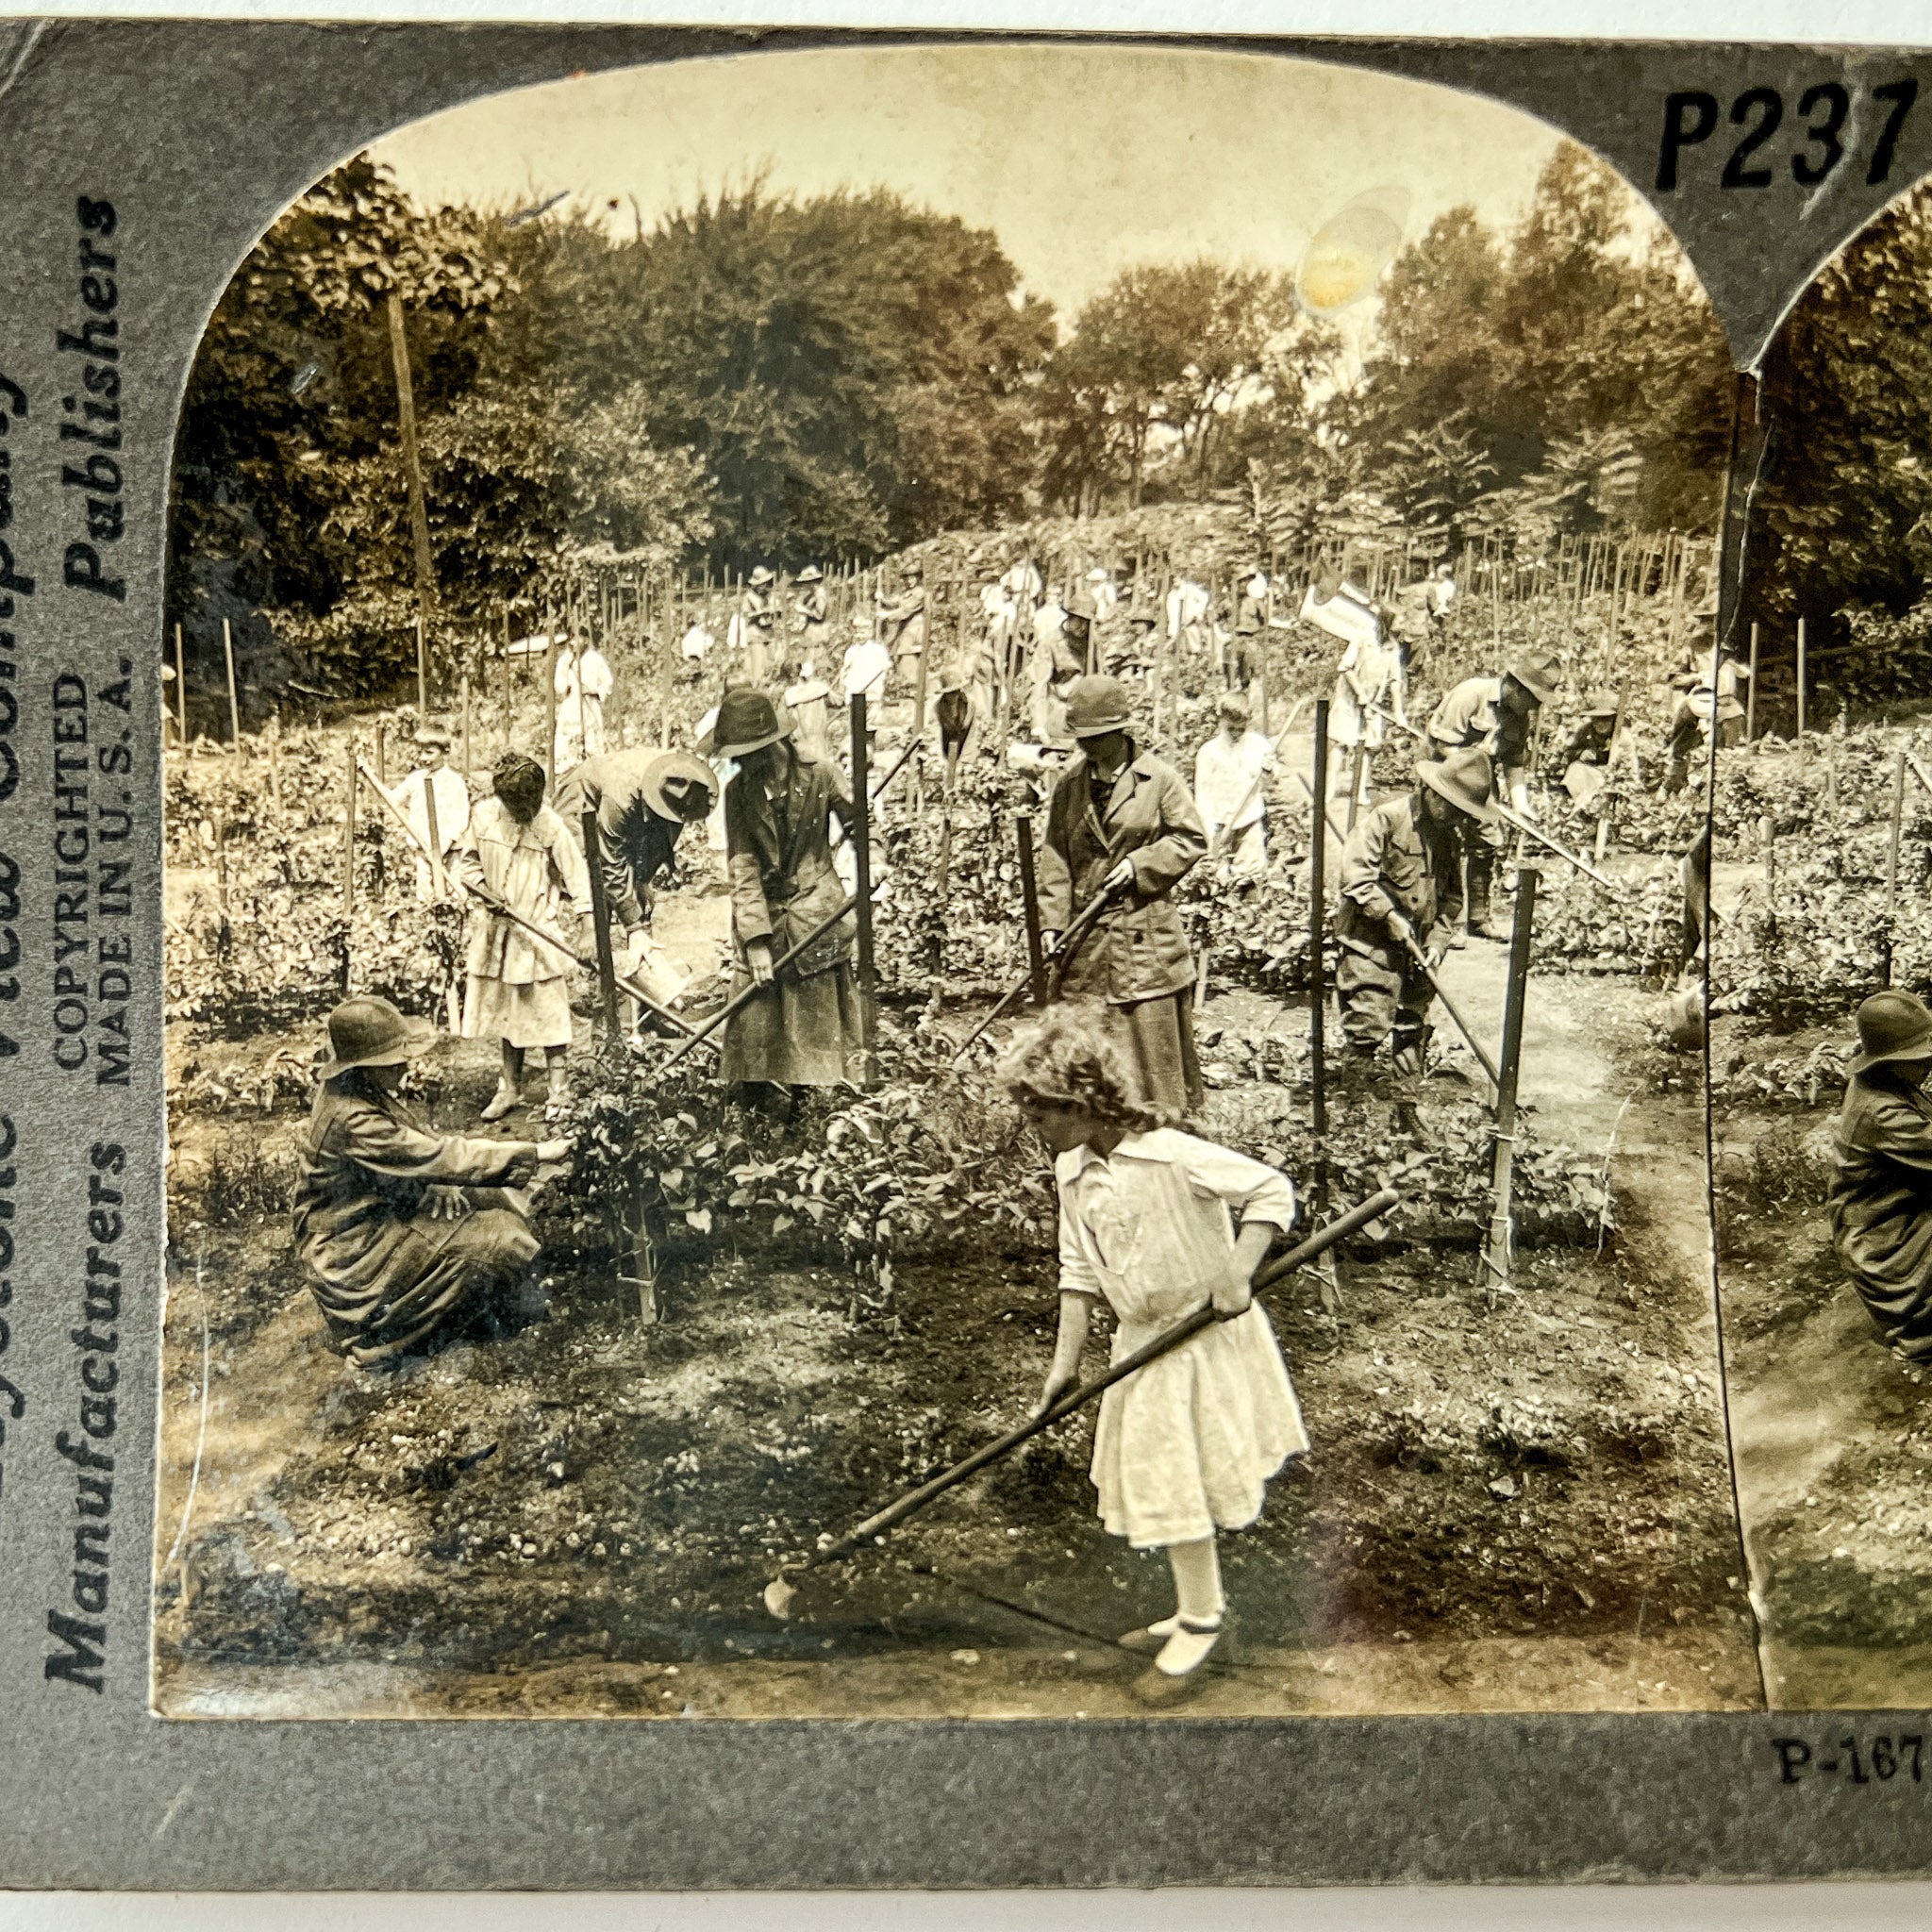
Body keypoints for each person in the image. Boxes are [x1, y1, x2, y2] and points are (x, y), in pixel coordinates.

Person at [1004, 1002, 1307, 1706]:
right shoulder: (1072, 1170)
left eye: (1042, 1113)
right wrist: (1063, 1366)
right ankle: (1193, 1608)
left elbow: (1270, 1190)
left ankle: (1203, 1623)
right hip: (1141, 1344)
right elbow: (1078, 1270)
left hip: (1201, 1339)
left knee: (1183, 1482)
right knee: (1168, 1481)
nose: (1035, 1128)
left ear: (1080, 1101)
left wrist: (1238, 1269)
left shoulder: (1172, 1153)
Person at [291, 994, 571, 1367]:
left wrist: (437, 1180)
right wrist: (538, 1152)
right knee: (500, 1240)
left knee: (492, 1196)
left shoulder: (354, 1089)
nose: (405, 1063)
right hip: (351, 1252)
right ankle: (381, 1344)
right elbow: (435, 1154)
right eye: (392, 1059)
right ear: (361, 1065)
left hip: (372, 1218)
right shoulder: (351, 1118)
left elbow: (416, 1149)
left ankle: (516, 1286)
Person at [1039, 675, 1208, 1115]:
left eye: (1094, 738)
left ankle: (1160, 1136)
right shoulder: (1070, 785)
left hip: (1144, 938)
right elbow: (1056, 856)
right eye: (1081, 738)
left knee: (1149, 1053)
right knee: (1087, 1048)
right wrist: (1053, 924)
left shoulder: (1159, 780)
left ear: (1119, 732)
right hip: (1086, 941)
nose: (1085, 747)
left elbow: (1190, 839)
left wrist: (1140, 865)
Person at [713, 687, 865, 1098]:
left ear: (774, 743)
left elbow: (860, 827)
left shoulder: (820, 774)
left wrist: (875, 857)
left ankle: (812, 1105)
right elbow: (742, 865)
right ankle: (755, 1107)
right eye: (738, 758)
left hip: (817, 908)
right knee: (753, 1012)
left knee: (815, 1012)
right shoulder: (739, 792)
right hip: (765, 909)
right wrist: (756, 939)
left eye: (750, 754)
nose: (744, 765)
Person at [1336, 749, 1494, 1074]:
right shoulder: (1387, 819)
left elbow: (1452, 898)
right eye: (1454, 810)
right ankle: (1355, 1105)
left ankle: (1405, 1096)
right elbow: (1354, 878)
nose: (1458, 819)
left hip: (1419, 948)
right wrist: (1389, 916)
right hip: (1371, 944)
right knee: (1368, 1020)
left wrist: (1437, 942)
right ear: (1435, 795)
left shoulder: (1449, 836)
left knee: (1412, 1023)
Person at [456, 752, 592, 1120]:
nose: (524, 811)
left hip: (537, 933)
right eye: (517, 805)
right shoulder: (483, 816)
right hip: (497, 931)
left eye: (530, 804)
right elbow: (466, 864)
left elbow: (579, 880)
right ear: (503, 799)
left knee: (549, 1013)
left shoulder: (550, 827)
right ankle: (510, 1088)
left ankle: (559, 1093)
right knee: (505, 1013)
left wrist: (586, 928)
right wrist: (485, 890)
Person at [554, 746, 719, 1026]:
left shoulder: (681, 785)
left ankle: (650, 1008)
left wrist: (644, 880)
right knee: (600, 901)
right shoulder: (621, 795)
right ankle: (605, 1015)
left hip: (627, 811)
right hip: (583, 805)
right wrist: (633, 926)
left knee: (641, 909)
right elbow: (610, 862)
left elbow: (663, 836)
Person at [1830, 991, 1932, 1361]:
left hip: (1889, 1212)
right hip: (1882, 1239)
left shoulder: (1879, 1082)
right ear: (1889, 1061)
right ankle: (1917, 1334)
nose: (1928, 1064)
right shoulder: (1884, 1114)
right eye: (1920, 1058)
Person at [1427, 655, 1557, 935]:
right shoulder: (1469, 694)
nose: (1535, 707)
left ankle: (1478, 918)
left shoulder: (1520, 717)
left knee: (1488, 840)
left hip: (1480, 778)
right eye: (1532, 699)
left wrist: (1521, 805)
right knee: (1443, 842)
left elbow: (1513, 764)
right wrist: (1473, 769)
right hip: (1441, 770)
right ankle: (1445, 921)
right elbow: (1442, 745)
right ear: (1515, 687)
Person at [1307, 570, 1403, 799]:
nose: (1403, 625)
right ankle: (1327, 792)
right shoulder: (1363, 638)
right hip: (1349, 699)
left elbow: (1395, 681)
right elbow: (1345, 668)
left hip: (1373, 703)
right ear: (1388, 623)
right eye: (1399, 621)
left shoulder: (1392, 648)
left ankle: (1358, 791)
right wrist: (1359, 693)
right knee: (1340, 744)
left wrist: (1399, 712)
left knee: (1367, 747)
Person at [1193, 692, 1276, 876]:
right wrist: (1211, 834)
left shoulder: (1259, 746)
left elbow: (1268, 783)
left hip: (1249, 819)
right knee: (1216, 875)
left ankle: (1251, 902)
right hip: (1218, 824)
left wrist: (1270, 771)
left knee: (1251, 873)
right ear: (1221, 720)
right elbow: (1203, 796)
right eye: (1231, 729)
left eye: (1241, 729)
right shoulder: (1209, 752)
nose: (1237, 734)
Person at [392, 722, 471, 903]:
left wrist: (444, 844)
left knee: (453, 893)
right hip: (423, 847)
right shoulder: (415, 779)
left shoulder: (454, 782)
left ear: (445, 752)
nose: (423, 758)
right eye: (420, 752)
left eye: (429, 752)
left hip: (450, 848)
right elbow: (394, 798)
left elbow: (461, 816)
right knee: (425, 894)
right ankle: (428, 924)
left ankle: (453, 922)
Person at [552, 635, 615, 774]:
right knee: (567, 739)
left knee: (592, 739)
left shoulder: (595, 659)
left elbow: (608, 682)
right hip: (570, 705)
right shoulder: (565, 660)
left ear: (586, 640)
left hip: (589, 705)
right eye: (572, 639)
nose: (574, 643)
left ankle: (593, 768)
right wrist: (565, 685)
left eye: (578, 639)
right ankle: (567, 769)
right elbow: (558, 683)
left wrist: (593, 691)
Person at [876, 561, 928, 691]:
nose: (909, 581)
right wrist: (882, 598)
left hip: (915, 629)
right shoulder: (907, 592)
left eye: (912, 578)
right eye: (906, 578)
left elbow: (906, 611)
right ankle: (903, 683)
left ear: (918, 578)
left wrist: (886, 615)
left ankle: (912, 685)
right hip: (906, 628)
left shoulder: (919, 593)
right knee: (896, 651)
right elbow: (895, 602)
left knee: (905, 652)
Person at [840, 617, 892, 714]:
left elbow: (885, 669)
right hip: (856, 694)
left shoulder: (878, 650)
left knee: (872, 722)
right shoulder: (851, 651)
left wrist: (886, 669)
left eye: (862, 633)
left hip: (873, 694)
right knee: (858, 725)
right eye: (857, 633)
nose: (859, 636)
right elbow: (845, 672)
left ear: (870, 633)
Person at [791, 564, 831, 658]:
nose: (804, 585)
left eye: (805, 583)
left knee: (816, 657)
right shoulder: (812, 594)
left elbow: (819, 615)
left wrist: (803, 610)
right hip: (812, 631)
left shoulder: (820, 594)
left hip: (818, 631)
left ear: (811, 582)